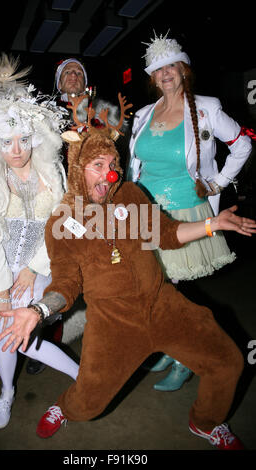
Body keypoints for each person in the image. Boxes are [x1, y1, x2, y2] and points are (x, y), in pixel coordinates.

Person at [0, 95, 256, 450]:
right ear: (77, 168)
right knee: (88, 406)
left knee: (228, 362)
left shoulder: (130, 194)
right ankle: (65, 406)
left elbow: (167, 234)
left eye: (113, 163)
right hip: (113, 322)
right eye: (98, 165)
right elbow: (66, 284)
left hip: (163, 305)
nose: (109, 174)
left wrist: (213, 224)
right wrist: (38, 310)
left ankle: (205, 422)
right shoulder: (62, 221)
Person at [0, 54, 79, 430]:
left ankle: (78, 378)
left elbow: (63, 221)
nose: (16, 150)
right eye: (6, 141)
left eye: (23, 139)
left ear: (35, 136)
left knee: (16, 333)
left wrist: (32, 269)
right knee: (10, 330)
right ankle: (12, 391)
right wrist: (2, 289)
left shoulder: (53, 170)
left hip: (42, 262)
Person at [127, 32, 252, 391]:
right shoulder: (145, 114)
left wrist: (218, 183)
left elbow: (242, 145)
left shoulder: (206, 108)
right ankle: (171, 348)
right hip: (146, 212)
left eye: (171, 66)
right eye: (158, 69)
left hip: (183, 211)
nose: (165, 73)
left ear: (183, 70)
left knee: (171, 291)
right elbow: (135, 164)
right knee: (155, 288)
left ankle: (185, 358)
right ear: (152, 77)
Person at [26, 57, 128, 375]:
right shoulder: (44, 114)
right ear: (58, 82)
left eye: (78, 72)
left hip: (98, 205)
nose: (72, 76)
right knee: (59, 273)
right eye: (67, 73)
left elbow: (118, 157)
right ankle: (42, 340)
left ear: (85, 80)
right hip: (59, 207)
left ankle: (111, 336)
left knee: (103, 269)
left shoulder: (105, 111)